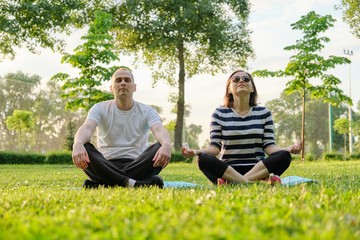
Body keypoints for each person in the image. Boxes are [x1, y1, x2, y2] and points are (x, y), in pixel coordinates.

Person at [182, 70, 302, 185]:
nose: (241, 81)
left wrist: (288, 148)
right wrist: (196, 152)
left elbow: (269, 147)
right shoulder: (219, 113)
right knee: (203, 159)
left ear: (252, 88)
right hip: (227, 170)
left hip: (258, 169)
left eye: (246, 79)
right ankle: (252, 182)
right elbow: (215, 148)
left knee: (284, 156)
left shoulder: (264, 113)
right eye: (236, 79)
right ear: (229, 88)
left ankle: (235, 183)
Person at [72, 67, 172, 188]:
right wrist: (77, 143)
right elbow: (87, 128)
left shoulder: (147, 111)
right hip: (105, 164)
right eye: (118, 80)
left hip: (138, 164)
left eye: (127, 80)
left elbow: (159, 130)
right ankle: (133, 183)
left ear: (134, 87)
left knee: (160, 145)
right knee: (85, 146)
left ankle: (103, 183)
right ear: (111, 88)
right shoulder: (99, 108)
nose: (123, 83)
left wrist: (166, 144)